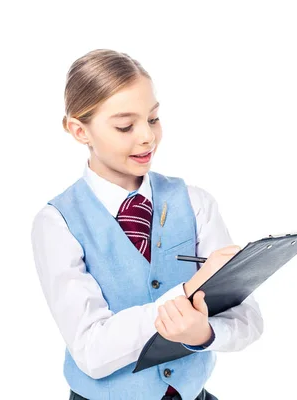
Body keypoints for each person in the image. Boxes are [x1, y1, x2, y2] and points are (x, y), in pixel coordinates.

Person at [31, 49, 264, 400]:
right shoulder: (57, 224)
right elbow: (91, 351)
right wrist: (186, 293)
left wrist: (204, 334)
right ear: (79, 130)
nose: (147, 137)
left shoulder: (195, 202)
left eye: (153, 119)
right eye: (125, 126)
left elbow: (248, 320)